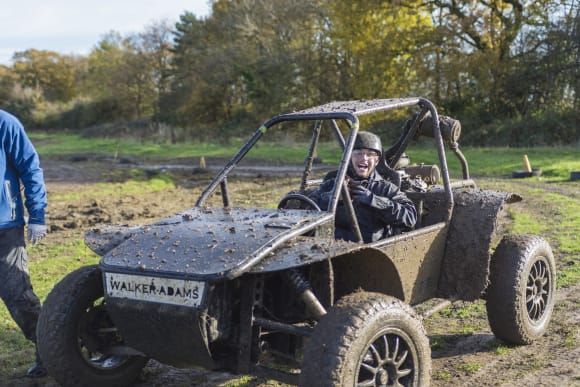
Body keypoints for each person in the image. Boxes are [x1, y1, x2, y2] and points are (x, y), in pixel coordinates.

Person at [0, 109, 48, 378]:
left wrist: (37, 214)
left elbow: (30, 167)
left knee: (18, 296)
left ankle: (50, 352)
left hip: (4, 229)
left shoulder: (5, 123)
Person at [310, 131, 416, 243]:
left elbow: (410, 217)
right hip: (330, 249)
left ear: (376, 161)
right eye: (358, 153)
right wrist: (333, 197)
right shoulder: (332, 184)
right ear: (349, 156)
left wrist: (373, 200)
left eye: (370, 154)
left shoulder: (386, 188)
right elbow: (307, 209)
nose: (364, 158)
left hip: (371, 253)